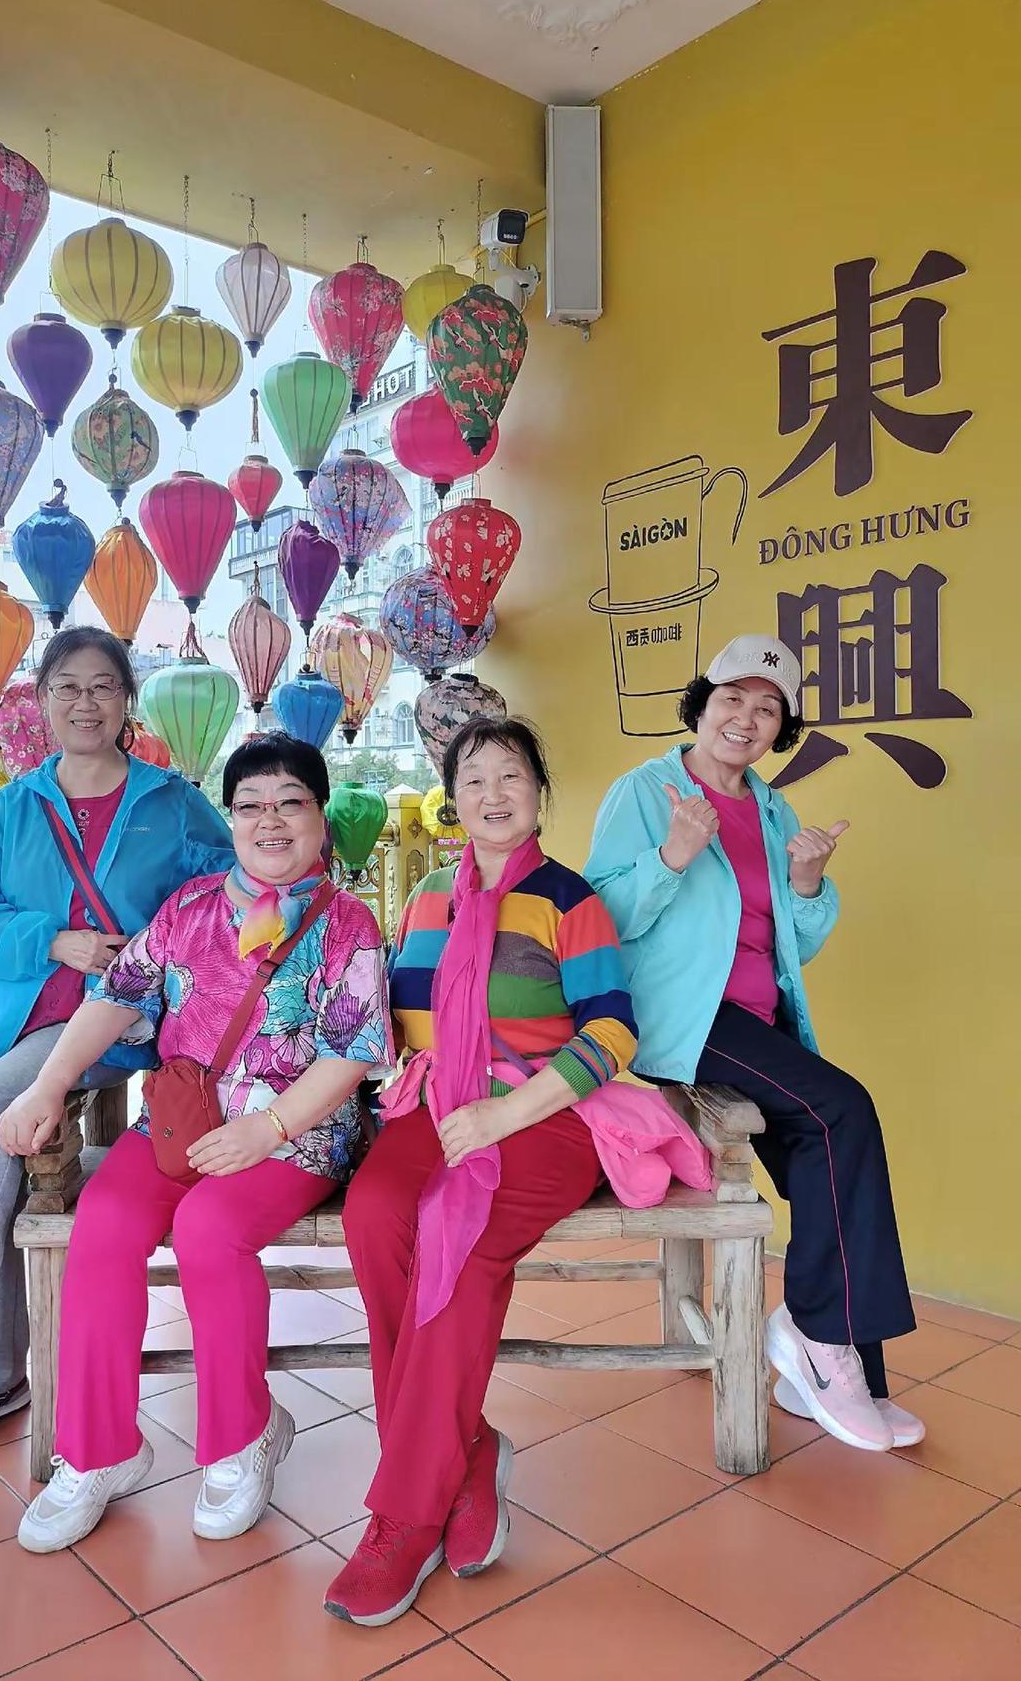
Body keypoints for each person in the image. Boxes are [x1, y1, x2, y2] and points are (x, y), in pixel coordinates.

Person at [12, 732, 394, 1551]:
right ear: (231, 819)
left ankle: (243, 1435)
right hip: (182, 1124)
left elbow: (353, 1053)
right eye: (250, 805)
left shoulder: (349, 925)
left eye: (290, 803)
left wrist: (269, 1127)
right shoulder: (189, 907)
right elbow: (115, 998)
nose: (270, 821)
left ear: (321, 817)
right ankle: (100, 1450)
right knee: (104, 1224)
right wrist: (48, 1084)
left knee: (210, 1230)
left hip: (295, 1135)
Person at [0, 628, 233, 1450]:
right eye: (67, 686)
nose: (85, 703)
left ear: (126, 700)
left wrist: (149, 955)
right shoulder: (13, 806)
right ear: (41, 701)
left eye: (103, 686)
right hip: (23, 1017)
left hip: (125, 1023)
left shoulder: (172, 803)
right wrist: (55, 941)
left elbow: (222, 902)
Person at [325, 717, 643, 1627]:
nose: (493, 795)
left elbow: (614, 1032)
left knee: (456, 1250)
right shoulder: (428, 896)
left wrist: (506, 1112)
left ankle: (405, 1516)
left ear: (539, 791)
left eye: (511, 776)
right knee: (375, 1215)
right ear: (451, 798)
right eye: (473, 779)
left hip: (542, 1115)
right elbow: (390, 1017)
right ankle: (464, 1452)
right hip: (437, 1104)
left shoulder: (569, 901)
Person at [586, 633, 918, 1456]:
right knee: (845, 1111)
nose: (746, 717)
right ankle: (819, 1342)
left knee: (828, 1153)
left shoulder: (773, 810)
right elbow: (599, 920)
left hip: (759, 1021)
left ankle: (834, 1366)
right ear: (701, 706)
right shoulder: (646, 791)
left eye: (768, 708)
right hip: (687, 1021)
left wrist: (807, 884)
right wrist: (673, 855)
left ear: (781, 728)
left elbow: (794, 942)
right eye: (732, 698)